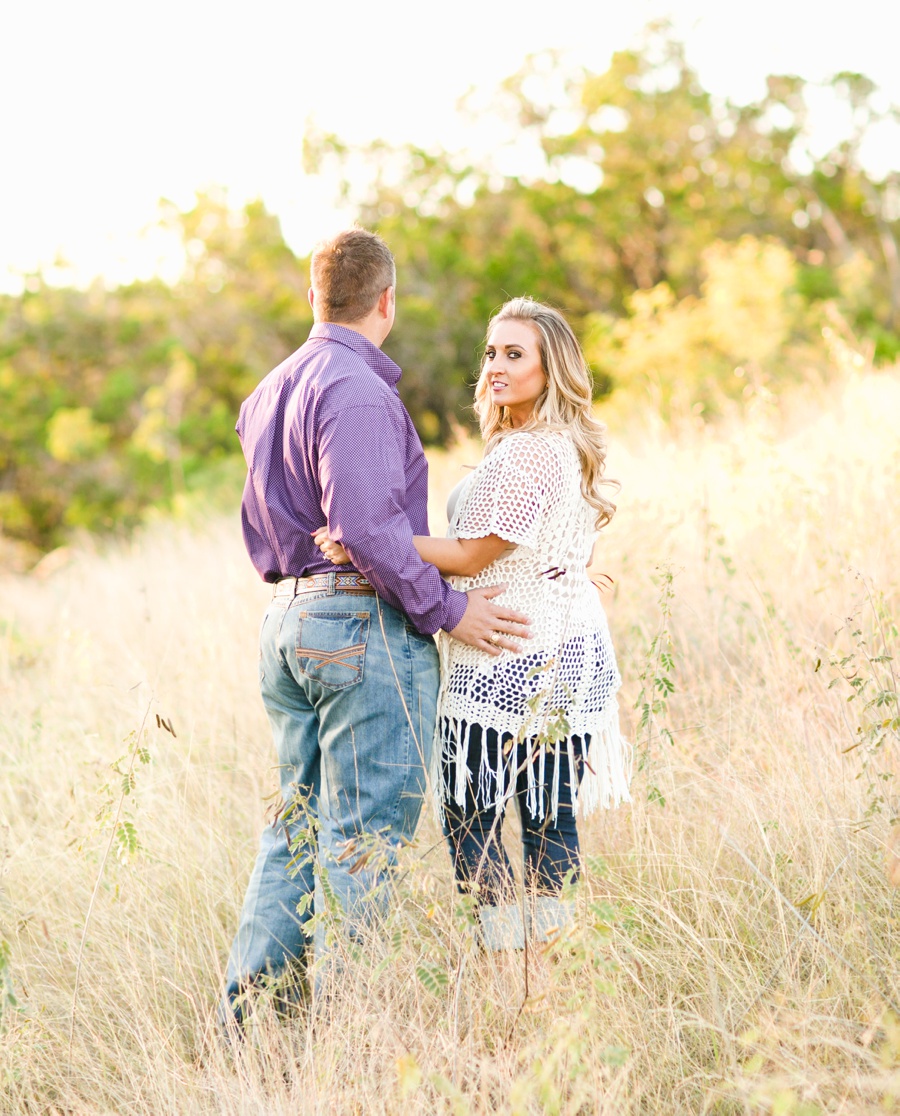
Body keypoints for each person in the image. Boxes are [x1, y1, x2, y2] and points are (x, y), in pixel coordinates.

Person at [220, 228, 530, 1031]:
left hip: (289, 619)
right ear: (386, 300)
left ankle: (252, 1033)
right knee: (362, 847)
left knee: (295, 832)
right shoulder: (357, 392)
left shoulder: (270, 388)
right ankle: (350, 1042)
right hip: (355, 624)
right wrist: (449, 610)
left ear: (313, 298)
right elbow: (363, 524)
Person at [316, 297, 631, 949]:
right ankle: (549, 971)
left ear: (552, 369)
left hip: (510, 652)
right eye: (491, 352)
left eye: (515, 354)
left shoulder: (529, 454)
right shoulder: (548, 445)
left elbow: (472, 554)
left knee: (473, 819)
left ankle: (514, 971)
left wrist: (370, 538)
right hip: (561, 648)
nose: (495, 366)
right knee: (548, 819)